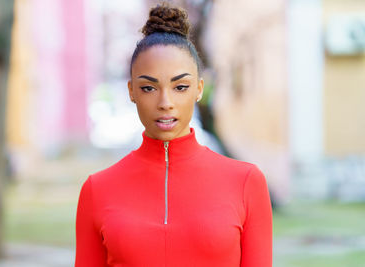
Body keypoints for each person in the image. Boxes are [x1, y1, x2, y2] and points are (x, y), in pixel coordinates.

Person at [75, 2, 272, 266]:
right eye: (148, 88)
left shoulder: (246, 183)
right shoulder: (97, 190)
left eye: (180, 87)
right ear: (131, 91)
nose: (165, 102)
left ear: (199, 89)